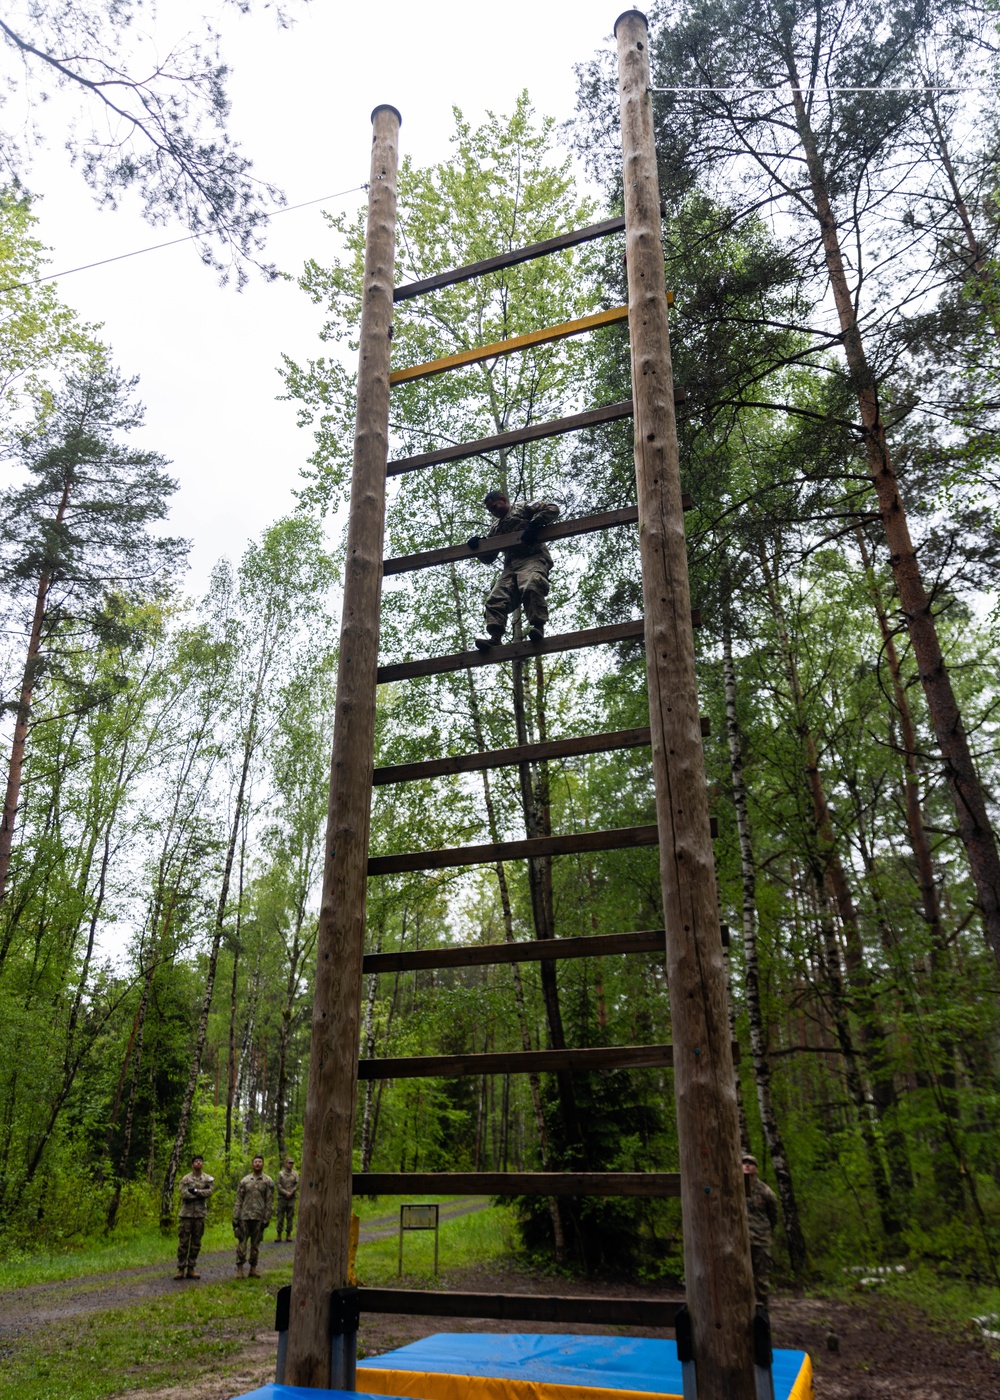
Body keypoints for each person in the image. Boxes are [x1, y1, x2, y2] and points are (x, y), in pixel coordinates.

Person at [467, 489, 560, 650]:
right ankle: (495, 637)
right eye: (491, 511)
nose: (494, 512)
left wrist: (534, 524)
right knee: (495, 599)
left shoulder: (523, 508)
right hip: (511, 567)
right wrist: (478, 545)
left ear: (503, 500)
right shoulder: (496, 528)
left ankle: (538, 627)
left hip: (533, 557)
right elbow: (489, 558)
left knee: (532, 584)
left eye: (495, 507)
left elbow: (552, 508)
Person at [743, 1152, 779, 1306]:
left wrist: (765, 1231)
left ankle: (763, 1307)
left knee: (762, 1276)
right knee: (742, 1275)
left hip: (760, 1239)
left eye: (750, 1163)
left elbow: (773, 1214)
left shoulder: (765, 1191)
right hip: (740, 1239)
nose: (747, 1165)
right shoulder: (734, 1187)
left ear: (756, 1169)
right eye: (744, 1163)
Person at [233, 1154, 274, 1278]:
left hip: (259, 1217)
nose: (257, 1163)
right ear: (252, 1164)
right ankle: (239, 1269)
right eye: (255, 1162)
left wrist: (267, 1217)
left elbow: (269, 1201)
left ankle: (253, 1268)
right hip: (244, 1216)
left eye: (260, 1162)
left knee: (255, 1245)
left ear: (263, 1164)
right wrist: (235, 1216)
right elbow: (239, 1199)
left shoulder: (268, 1181)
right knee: (242, 1242)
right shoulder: (244, 1181)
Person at [175, 1153, 214, 1280]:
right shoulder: (185, 1179)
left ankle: (191, 1268)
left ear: (202, 1164)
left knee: (196, 1242)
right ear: (192, 1164)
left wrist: (196, 1192)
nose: (198, 1163)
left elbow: (210, 1192)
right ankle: (181, 1268)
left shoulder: (207, 1179)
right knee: (183, 1242)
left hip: (200, 1215)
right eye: (196, 1161)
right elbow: (184, 1194)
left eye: (200, 1161)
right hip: (186, 1215)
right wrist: (198, 1195)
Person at [275, 1156, 299, 1242]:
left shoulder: (295, 1174)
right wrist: (285, 1192)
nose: (291, 1165)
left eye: (292, 1163)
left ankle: (288, 1234)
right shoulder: (281, 1174)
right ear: (286, 1164)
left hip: (291, 1198)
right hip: (282, 1198)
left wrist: (291, 1192)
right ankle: (279, 1234)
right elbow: (278, 1184)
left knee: (290, 1216)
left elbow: (297, 1184)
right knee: (280, 1216)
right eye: (289, 1163)